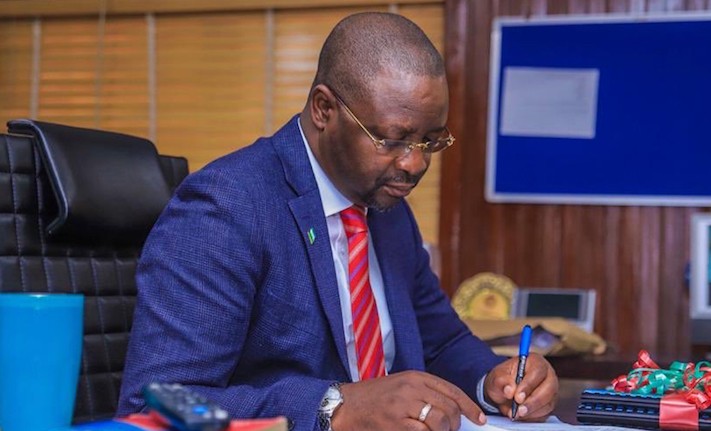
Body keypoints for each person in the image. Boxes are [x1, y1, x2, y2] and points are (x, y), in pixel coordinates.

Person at [117, 11, 558, 431]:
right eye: (392, 139)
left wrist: (495, 381)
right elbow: (156, 403)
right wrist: (335, 407)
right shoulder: (226, 207)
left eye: (430, 140)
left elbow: (440, 341)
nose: (415, 163)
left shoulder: (387, 210)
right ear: (324, 109)